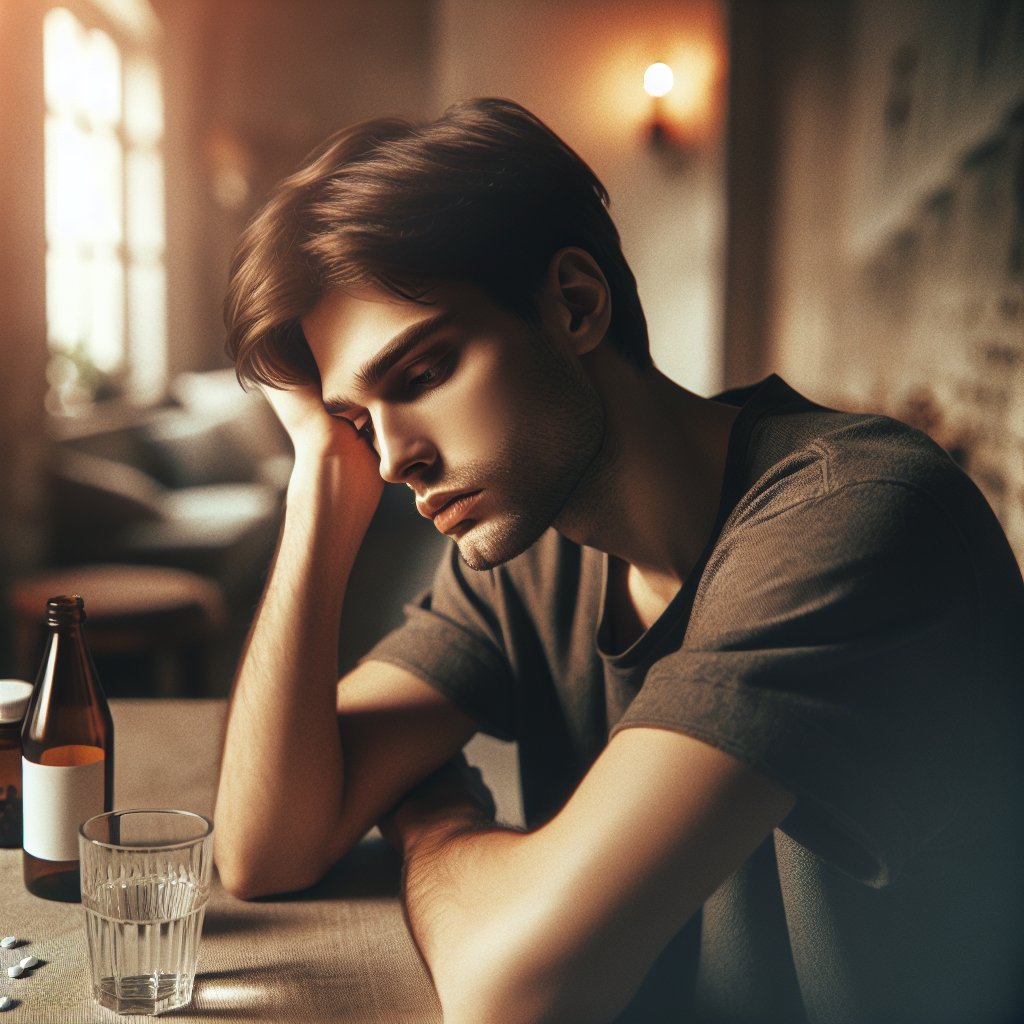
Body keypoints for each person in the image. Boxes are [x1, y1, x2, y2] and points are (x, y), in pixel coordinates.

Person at [214, 98, 1023, 1024]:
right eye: (359, 421)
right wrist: (319, 477)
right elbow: (266, 848)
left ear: (574, 305)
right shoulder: (533, 547)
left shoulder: (856, 518)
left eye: (423, 374)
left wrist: (431, 815)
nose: (394, 459)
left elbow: (509, 989)